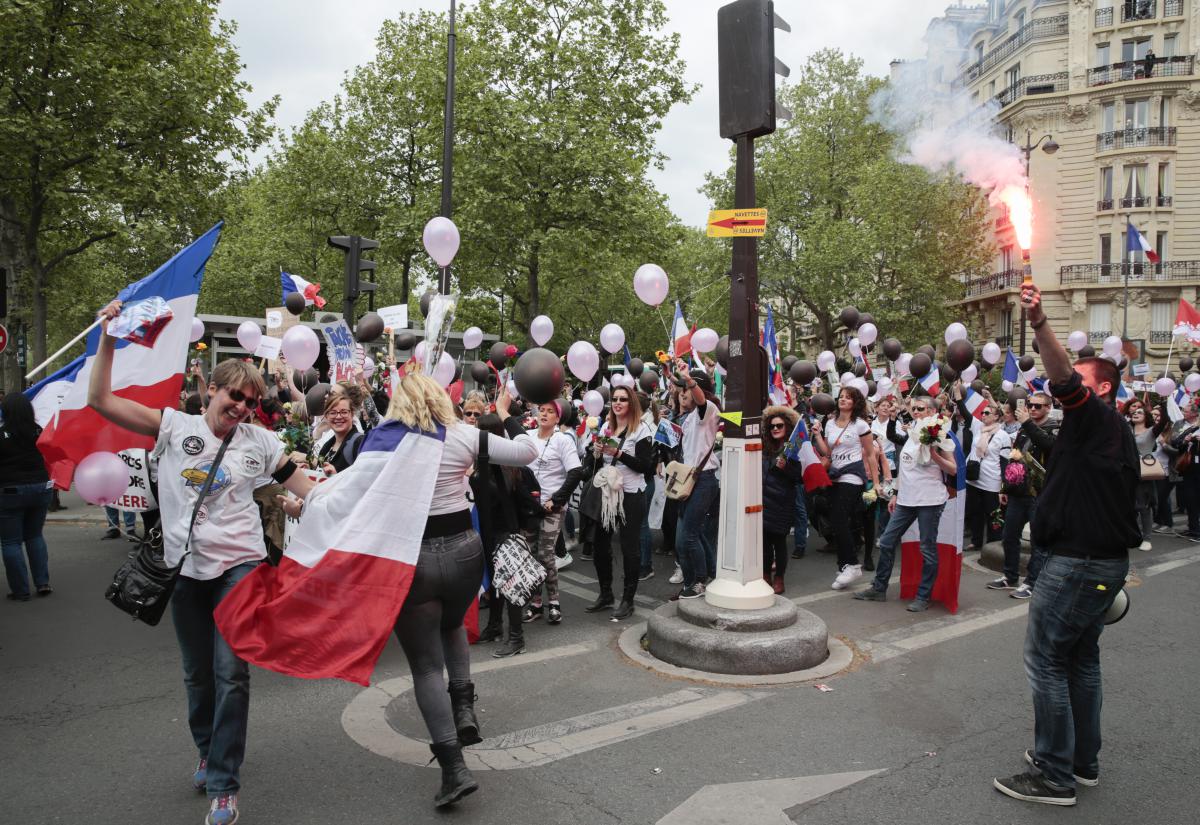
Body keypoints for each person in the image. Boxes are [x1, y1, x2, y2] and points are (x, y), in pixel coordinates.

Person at [88, 300, 319, 825]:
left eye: (250, 401)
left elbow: (305, 489)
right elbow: (99, 398)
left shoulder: (260, 442)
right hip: (185, 571)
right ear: (211, 390)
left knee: (231, 673)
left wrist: (321, 504)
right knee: (198, 677)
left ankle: (224, 784)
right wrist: (107, 336)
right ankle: (207, 750)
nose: (240, 407)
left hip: (241, 570)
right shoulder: (172, 426)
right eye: (234, 395)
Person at [993, 282, 1139, 808]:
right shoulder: (1097, 432)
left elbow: (1062, 378)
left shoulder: (1096, 416)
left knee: (1046, 661)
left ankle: (1055, 775)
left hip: (1077, 563)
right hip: (1092, 561)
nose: (1066, 386)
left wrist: (1038, 324)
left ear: (1100, 390)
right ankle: (1082, 762)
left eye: (1080, 381)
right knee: (1080, 660)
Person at [852, 395, 958, 611]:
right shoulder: (912, 432)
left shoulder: (940, 433)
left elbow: (953, 469)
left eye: (920, 408)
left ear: (931, 411)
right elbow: (906, 467)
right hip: (906, 500)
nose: (915, 411)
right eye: (913, 408)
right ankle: (879, 588)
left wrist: (934, 455)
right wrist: (896, 494)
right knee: (888, 541)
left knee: (927, 548)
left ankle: (923, 596)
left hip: (930, 500)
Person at [472, 412, 543, 657]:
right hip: (487, 533)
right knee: (494, 582)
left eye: (478, 428)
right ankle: (494, 626)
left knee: (510, 585)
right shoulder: (483, 462)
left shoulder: (508, 467)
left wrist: (542, 511)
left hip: (505, 533)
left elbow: (526, 496)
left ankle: (516, 638)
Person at [582, 384, 654, 620]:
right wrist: (596, 450)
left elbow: (646, 467)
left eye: (623, 399)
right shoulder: (606, 426)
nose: (618, 403)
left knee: (628, 548)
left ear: (631, 403)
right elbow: (599, 460)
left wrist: (619, 454)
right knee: (600, 545)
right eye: (614, 399)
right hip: (606, 492)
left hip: (631, 494)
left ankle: (627, 600)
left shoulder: (640, 430)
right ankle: (605, 594)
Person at [514, 399, 583, 624]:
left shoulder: (562, 440)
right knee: (530, 556)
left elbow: (575, 472)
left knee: (545, 556)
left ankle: (553, 602)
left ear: (558, 417)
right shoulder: (528, 436)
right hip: (529, 507)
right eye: (541, 410)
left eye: (550, 411)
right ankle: (535, 604)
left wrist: (557, 500)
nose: (544, 414)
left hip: (552, 508)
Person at [990, 393, 1059, 598]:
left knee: (1038, 540)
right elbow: (1014, 458)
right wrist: (1005, 488)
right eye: (1031, 405)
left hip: (1040, 493)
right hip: (1018, 492)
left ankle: (1032, 582)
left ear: (1048, 407)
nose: (1033, 409)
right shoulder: (1023, 428)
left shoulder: (1053, 427)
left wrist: (1027, 422)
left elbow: (1049, 445)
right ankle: (1010, 576)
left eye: (1038, 406)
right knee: (1009, 536)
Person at [813, 386, 878, 591]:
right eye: (841, 397)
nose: (843, 400)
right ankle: (843, 566)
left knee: (840, 519)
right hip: (835, 476)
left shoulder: (860, 425)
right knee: (836, 521)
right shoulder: (830, 424)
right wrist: (817, 435)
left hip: (853, 476)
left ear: (855, 403)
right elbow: (828, 453)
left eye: (848, 398)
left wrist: (875, 483)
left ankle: (852, 564)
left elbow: (870, 454)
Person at [670, 364, 721, 601]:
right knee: (689, 537)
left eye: (686, 389)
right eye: (680, 390)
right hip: (686, 481)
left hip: (703, 481)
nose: (682, 393)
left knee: (688, 536)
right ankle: (703, 577)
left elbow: (700, 399)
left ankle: (698, 582)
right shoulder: (688, 417)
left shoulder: (707, 410)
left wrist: (690, 380)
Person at [1, 392, 54, 601]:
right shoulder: (38, 431)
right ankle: (42, 582)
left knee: (11, 542)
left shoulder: (1, 434)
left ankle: (20, 590)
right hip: (41, 487)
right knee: (34, 535)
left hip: (10, 491)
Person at [961, 397, 1012, 553]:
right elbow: (966, 414)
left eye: (987, 413)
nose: (983, 415)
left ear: (996, 416)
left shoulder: (1002, 435)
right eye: (982, 412)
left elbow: (1005, 463)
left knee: (993, 515)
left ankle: (993, 544)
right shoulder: (979, 429)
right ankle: (976, 542)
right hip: (974, 480)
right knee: (975, 513)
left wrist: (1004, 487)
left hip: (992, 481)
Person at [761, 406, 803, 594]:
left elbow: (799, 477)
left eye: (779, 425)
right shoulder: (765, 447)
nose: (775, 429)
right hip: (763, 500)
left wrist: (786, 466)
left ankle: (779, 578)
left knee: (779, 542)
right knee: (764, 543)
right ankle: (765, 575)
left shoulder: (794, 448)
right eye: (772, 427)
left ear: (787, 427)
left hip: (783, 502)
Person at [1125, 398, 1162, 551]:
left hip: (1143, 473)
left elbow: (1164, 421)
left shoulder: (1150, 432)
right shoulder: (1127, 429)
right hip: (1127, 472)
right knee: (1128, 506)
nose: (1136, 413)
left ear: (1146, 416)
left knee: (1143, 505)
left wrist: (1164, 402)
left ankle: (1147, 538)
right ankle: (1131, 535)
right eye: (1134, 411)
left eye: (1140, 411)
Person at [314, 391, 364, 473]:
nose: (338, 417)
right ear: (326, 416)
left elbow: (364, 477)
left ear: (352, 414)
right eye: (333, 413)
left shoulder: (360, 442)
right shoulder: (326, 447)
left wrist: (336, 474)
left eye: (344, 412)